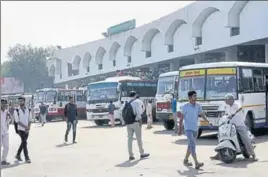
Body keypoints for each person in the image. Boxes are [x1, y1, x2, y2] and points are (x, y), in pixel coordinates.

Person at [210, 94, 258, 161]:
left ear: (231, 100)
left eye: (227, 100)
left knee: (245, 139)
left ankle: (253, 155)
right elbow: (226, 114)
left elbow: (240, 108)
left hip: (239, 125)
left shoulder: (236, 104)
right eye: (225, 100)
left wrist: (234, 113)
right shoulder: (227, 106)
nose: (226, 102)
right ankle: (219, 154)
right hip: (230, 125)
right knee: (222, 136)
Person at [178, 91, 210, 169]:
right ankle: (196, 162)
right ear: (189, 97)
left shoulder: (198, 106)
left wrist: (207, 121)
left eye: (196, 96)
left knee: (190, 145)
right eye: (194, 96)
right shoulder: (185, 106)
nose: (195, 97)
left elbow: (202, 114)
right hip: (188, 128)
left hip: (196, 129)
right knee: (192, 144)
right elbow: (181, 118)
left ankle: (185, 160)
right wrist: (179, 129)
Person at [124, 91, 149, 161]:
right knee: (139, 138)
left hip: (128, 123)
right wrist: (140, 121)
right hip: (136, 122)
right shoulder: (136, 102)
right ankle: (142, 153)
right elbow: (138, 113)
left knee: (129, 139)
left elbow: (122, 112)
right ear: (135, 95)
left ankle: (130, 155)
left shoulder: (126, 102)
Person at [14, 96, 31, 163]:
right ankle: (27, 158)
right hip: (20, 129)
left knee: (23, 142)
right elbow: (17, 121)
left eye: (21, 101)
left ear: (24, 101)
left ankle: (18, 154)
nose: (20, 102)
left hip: (27, 129)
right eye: (19, 101)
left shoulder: (28, 110)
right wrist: (25, 127)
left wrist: (28, 127)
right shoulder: (16, 110)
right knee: (24, 142)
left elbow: (30, 119)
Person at [1, 99, 11, 165]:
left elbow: (9, 121)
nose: (4, 104)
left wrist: (9, 118)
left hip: (5, 131)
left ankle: (3, 160)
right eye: (2, 103)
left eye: (5, 103)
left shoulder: (7, 112)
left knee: (6, 146)